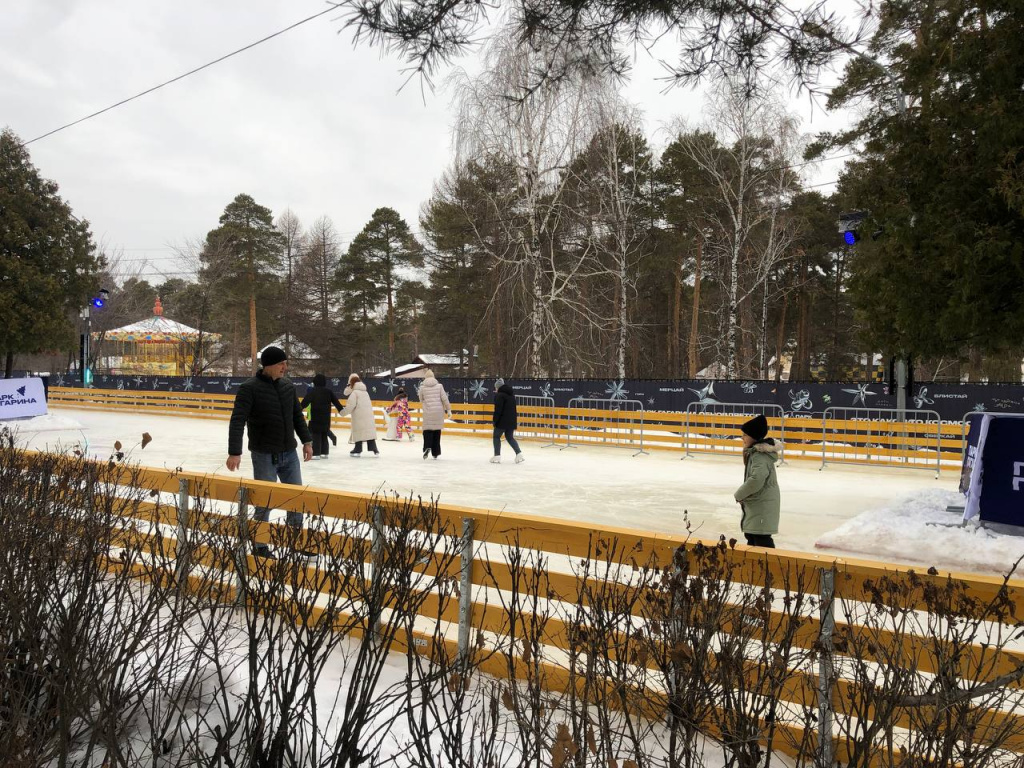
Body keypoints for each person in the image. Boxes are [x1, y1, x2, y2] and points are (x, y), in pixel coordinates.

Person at [226, 345, 313, 559]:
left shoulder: (287, 387)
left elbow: (297, 416)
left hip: (289, 453)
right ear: (269, 365)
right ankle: (260, 545)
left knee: (295, 499)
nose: (285, 367)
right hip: (264, 454)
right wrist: (234, 451)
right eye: (281, 364)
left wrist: (307, 441)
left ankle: (295, 542)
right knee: (264, 502)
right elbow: (238, 420)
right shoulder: (250, 388)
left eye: (285, 363)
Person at [734, 414, 781, 548]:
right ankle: (754, 566)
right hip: (759, 502)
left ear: (753, 437)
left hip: (762, 503)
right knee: (752, 535)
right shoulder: (755, 453)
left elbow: (757, 479)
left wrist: (740, 494)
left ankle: (768, 567)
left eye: (745, 435)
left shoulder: (759, 456)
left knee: (761, 538)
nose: (742, 438)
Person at [300, 373, 343, 459]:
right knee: (324, 435)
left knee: (316, 435)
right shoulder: (329, 392)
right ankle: (324, 452)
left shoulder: (313, 392)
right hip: (326, 419)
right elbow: (337, 403)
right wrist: (341, 410)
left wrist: (298, 409)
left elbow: (304, 403)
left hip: (316, 418)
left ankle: (316, 453)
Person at [341, 373, 379, 456]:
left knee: (359, 431)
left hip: (359, 416)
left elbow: (350, 406)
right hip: (368, 415)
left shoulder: (355, 393)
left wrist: (342, 412)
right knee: (368, 431)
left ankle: (358, 448)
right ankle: (374, 448)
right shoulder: (365, 392)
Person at [418, 370, 451, 459]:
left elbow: (421, 399)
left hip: (428, 411)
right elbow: (445, 399)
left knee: (427, 430)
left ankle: (427, 447)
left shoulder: (422, 387)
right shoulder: (439, 386)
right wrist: (448, 410)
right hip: (438, 412)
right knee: (437, 431)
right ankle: (435, 453)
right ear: (433, 377)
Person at [490, 378, 524, 464]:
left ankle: (497, 455)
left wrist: (495, 421)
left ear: (498, 387)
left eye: (496, 388)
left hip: (502, 421)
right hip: (511, 420)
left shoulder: (499, 395)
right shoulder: (511, 395)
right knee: (509, 437)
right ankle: (519, 453)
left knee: (496, 437)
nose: (495, 389)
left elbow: (498, 410)